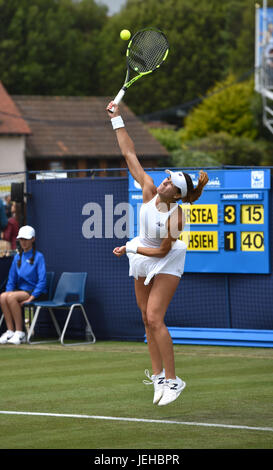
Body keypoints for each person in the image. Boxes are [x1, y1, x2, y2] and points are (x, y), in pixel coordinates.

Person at [106, 101, 209, 406]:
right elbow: (129, 154)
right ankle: (159, 376)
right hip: (142, 254)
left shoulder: (178, 217)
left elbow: (162, 250)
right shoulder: (150, 190)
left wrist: (130, 246)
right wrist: (117, 119)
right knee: (145, 319)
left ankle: (175, 381)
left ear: (177, 195)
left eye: (170, 182)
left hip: (167, 259)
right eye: (165, 178)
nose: (163, 181)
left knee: (155, 316)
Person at [0, 225, 47, 345]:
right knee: (3, 296)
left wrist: (32, 297)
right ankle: (10, 330)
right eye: (21, 239)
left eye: (26, 239)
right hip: (22, 291)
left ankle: (20, 332)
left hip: (35, 292)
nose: (23, 242)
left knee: (10, 297)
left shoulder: (39, 257)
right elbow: (11, 279)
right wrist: (8, 292)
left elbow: (42, 281)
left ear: (33, 239)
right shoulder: (17, 257)